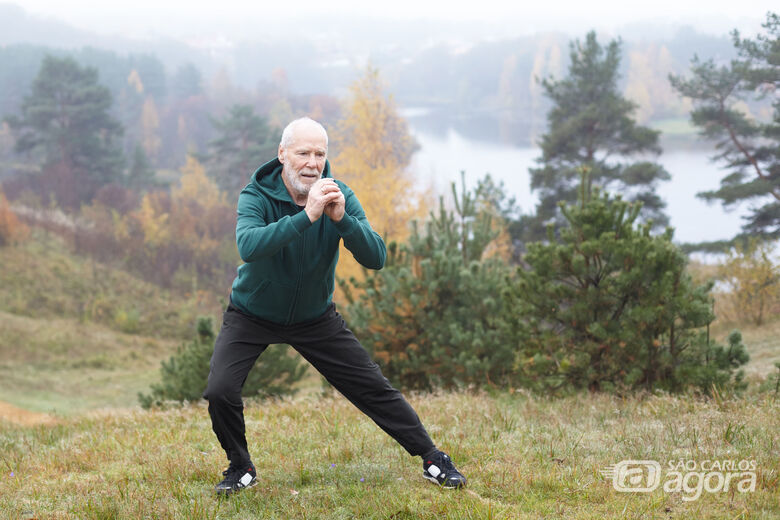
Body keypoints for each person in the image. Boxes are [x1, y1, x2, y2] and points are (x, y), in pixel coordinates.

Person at [203, 117, 467, 495]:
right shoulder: (256, 195)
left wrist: (342, 219)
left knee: (373, 387)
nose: (312, 163)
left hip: (314, 318)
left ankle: (431, 458)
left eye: (320, 154)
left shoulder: (338, 194)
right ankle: (240, 465)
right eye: (303, 153)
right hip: (252, 314)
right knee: (220, 390)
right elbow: (249, 246)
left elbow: (377, 257)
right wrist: (307, 216)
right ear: (282, 154)